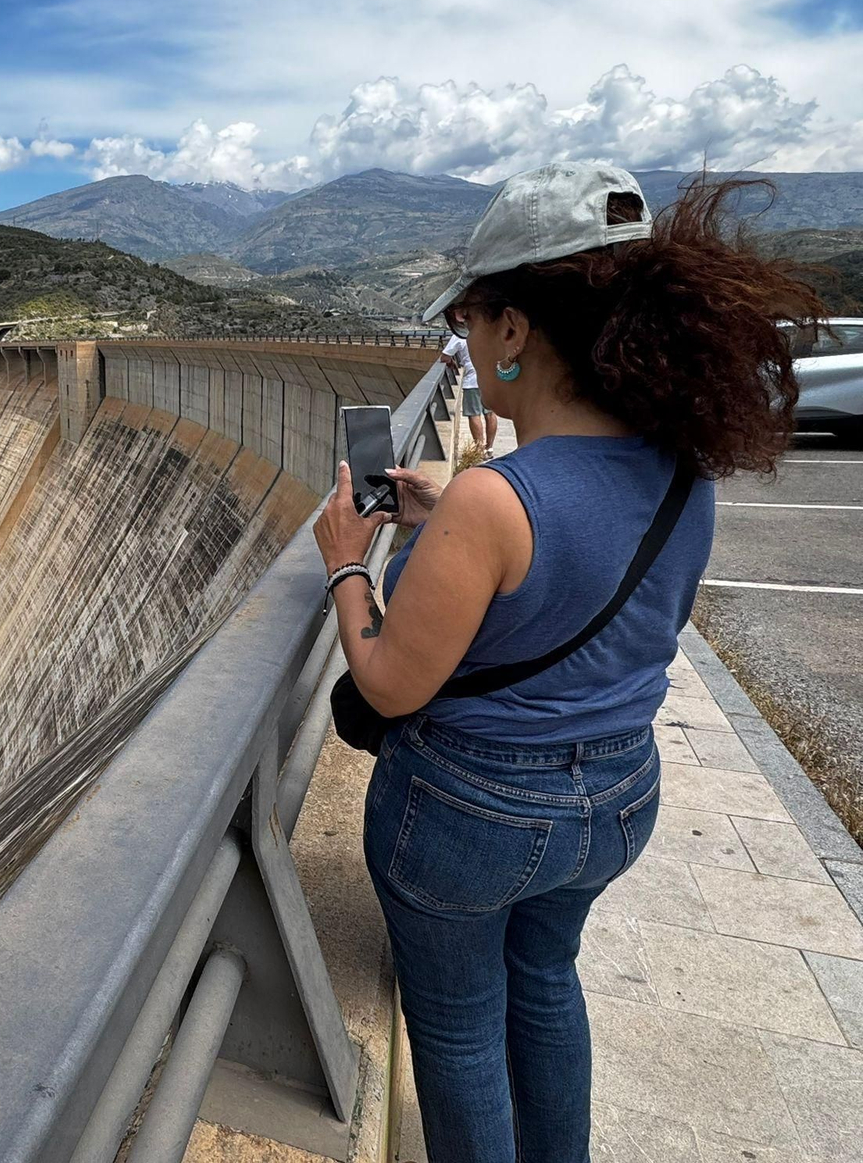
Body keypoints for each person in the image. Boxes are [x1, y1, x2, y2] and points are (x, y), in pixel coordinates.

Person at [311, 162, 824, 1163]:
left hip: (473, 814)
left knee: (458, 1026)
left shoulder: (490, 501)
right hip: (621, 795)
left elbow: (388, 682)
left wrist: (346, 566)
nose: (461, 343)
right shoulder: (683, 470)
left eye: (466, 321)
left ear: (513, 330)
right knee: (544, 984)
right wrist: (448, 532)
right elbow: (593, 586)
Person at [439, 332, 499, 457]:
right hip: (490, 380)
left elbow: (444, 357)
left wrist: (453, 364)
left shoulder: (460, 335)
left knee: (474, 414)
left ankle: (479, 450)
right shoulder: (487, 331)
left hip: (472, 381)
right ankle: (489, 448)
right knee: (490, 413)